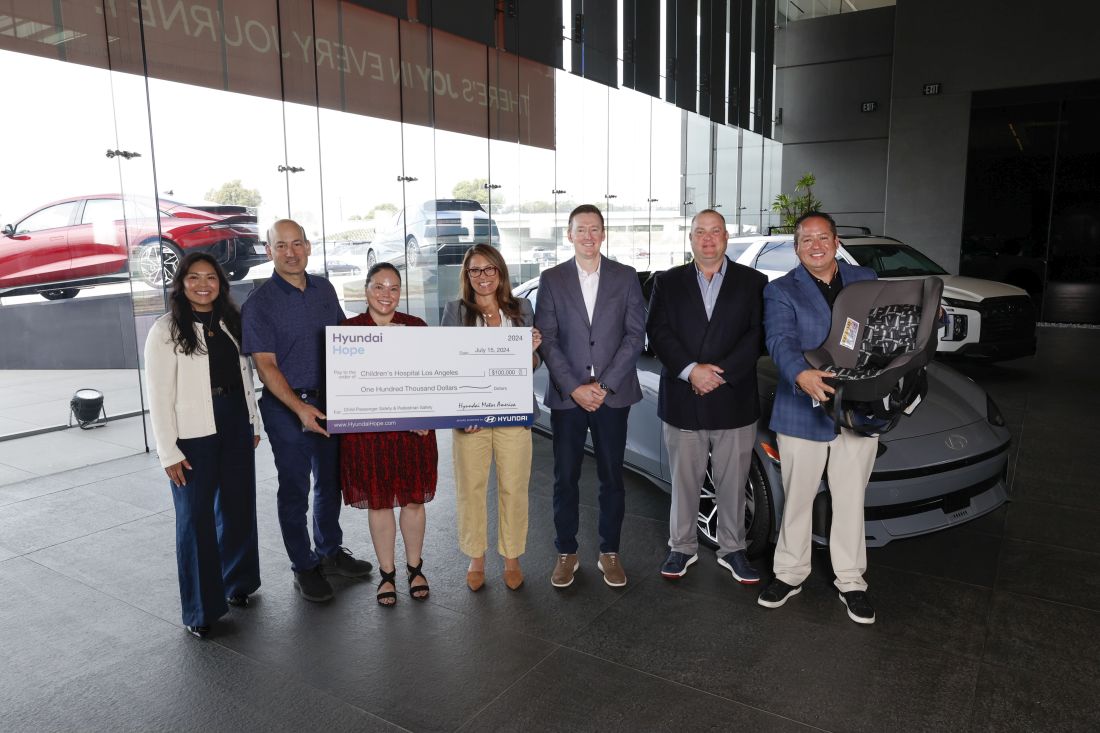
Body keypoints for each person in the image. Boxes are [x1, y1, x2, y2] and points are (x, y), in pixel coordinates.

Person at [757, 211, 879, 624]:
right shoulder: (780, 289)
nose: (815, 245)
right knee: (798, 498)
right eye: (806, 239)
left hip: (857, 409)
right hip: (801, 409)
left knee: (850, 498)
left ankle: (851, 580)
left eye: (822, 237)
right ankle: (789, 574)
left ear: (836, 241)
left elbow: (887, 328)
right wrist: (800, 374)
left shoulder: (865, 279)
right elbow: (779, 339)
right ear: (796, 248)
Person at [241, 219, 372, 604]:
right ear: (269, 251)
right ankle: (303, 565)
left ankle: (329, 552)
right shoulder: (259, 304)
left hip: (330, 402)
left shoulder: (324, 289)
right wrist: (300, 409)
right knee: (295, 488)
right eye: (281, 246)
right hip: (286, 408)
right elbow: (266, 366)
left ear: (308, 246)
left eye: (297, 243)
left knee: (330, 483)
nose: (290, 252)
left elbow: (347, 341)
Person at [646, 209, 768, 583]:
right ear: (691, 238)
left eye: (715, 231)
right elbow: (658, 332)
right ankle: (682, 547)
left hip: (734, 397)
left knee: (733, 483)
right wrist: (691, 371)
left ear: (726, 237)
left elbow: (757, 336)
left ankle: (733, 550)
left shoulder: (754, 282)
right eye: (700, 232)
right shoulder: (667, 282)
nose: (708, 238)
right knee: (685, 482)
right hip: (683, 397)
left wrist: (719, 374)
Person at [145, 252, 261, 639]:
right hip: (192, 432)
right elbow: (159, 396)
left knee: (239, 505)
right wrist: (168, 451)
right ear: (181, 283)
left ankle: (238, 582)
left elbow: (246, 376)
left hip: (235, 420)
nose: (202, 284)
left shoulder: (231, 321)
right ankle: (200, 609)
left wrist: (253, 421)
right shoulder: (165, 330)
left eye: (210, 277)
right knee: (195, 518)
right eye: (193, 277)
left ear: (220, 283)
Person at [534, 204, 646, 589]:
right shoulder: (551, 279)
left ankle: (609, 552)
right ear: (569, 235)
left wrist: (605, 385)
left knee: (612, 477)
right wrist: (575, 387)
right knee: (565, 477)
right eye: (580, 229)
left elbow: (635, 336)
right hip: (568, 397)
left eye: (594, 228)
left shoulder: (625, 277)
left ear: (603, 234)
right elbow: (547, 339)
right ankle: (566, 552)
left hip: (612, 395)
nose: (588, 235)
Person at [442, 244, 542, 592]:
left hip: (513, 413)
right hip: (471, 420)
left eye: (489, 269)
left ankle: (512, 557)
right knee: (471, 488)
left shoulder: (521, 309)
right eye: (475, 270)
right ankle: (476, 557)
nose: (483, 276)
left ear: (500, 272)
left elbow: (533, 365)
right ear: (467, 275)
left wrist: (530, 351)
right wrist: (460, 413)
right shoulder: (456, 311)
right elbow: (448, 365)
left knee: (514, 487)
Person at [339, 262, 437, 606]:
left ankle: (415, 568)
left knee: (413, 500)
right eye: (379, 287)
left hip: (413, 434)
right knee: (379, 502)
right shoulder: (347, 332)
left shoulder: (416, 327)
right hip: (368, 435)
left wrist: (427, 413)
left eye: (393, 288)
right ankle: (387, 574)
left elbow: (433, 378)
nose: (386, 294)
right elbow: (345, 387)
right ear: (366, 290)